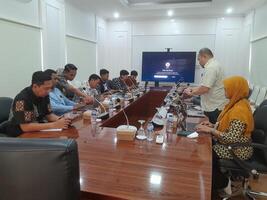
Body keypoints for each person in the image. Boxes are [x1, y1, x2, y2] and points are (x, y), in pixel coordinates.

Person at [196, 76, 254, 197]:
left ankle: (220, 184)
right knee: (206, 150)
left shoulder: (240, 110)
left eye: (227, 89)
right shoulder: (235, 104)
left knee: (206, 153)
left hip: (238, 149)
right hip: (232, 146)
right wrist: (212, 125)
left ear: (235, 89)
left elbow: (231, 138)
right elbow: (228, 127)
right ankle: (218, 182)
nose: (225, 91)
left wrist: (211, 130)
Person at [0, 71, 71, 137]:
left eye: (50, 88)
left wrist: (62, 120)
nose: (49, 91)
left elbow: (49, 115)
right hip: (18, 134)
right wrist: (54, 125)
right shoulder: (22, 99)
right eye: (46, 88)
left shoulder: (44, 95)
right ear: (35, 86)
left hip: (36, 130)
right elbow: (25, 127)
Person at [184, 48, 227, 124]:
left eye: (199, 59)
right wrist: (191, 89)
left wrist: (191, 93)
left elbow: (205, 89)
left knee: (209, 131)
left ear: (204, 56)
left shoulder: (211, 67)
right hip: (214, 105)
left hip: (214, 107)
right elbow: (204, 86)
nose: (199, 62)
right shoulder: (214, 64)